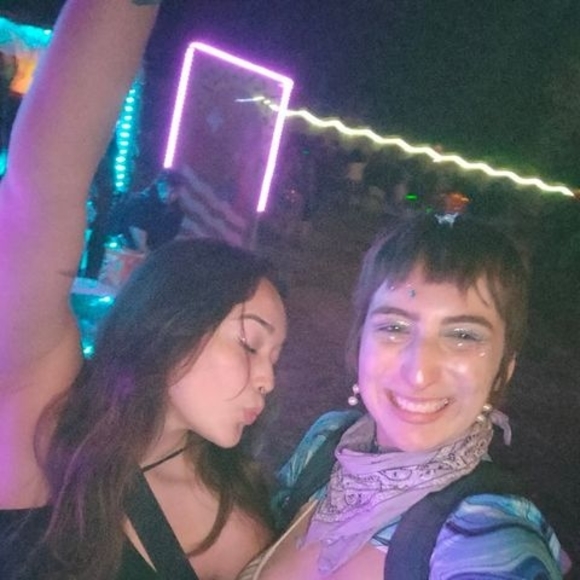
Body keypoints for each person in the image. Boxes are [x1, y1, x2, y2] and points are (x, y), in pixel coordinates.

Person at [0, 1, 287, 579]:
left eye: (275, 358)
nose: (268, 380)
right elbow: (43, 185)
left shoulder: (240, 531)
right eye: (251, 344)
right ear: (172, 320)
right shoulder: (47, 418)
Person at [240, 212, 570, 579]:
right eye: (394, 327)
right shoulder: (325, 443)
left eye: (463, 336)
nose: (418, 374)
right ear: (359, 343)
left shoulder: (489, 537)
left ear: (503, 369)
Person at [110, 168, 190, 253]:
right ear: (157, 185)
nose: (167, 195)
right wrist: (150, 257)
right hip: (122, 250)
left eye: (173, 192)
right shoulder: (141, 203)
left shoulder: (176, 213)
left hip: (150, 253)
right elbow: (138, 237)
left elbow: (167, 240)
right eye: (163, 189)